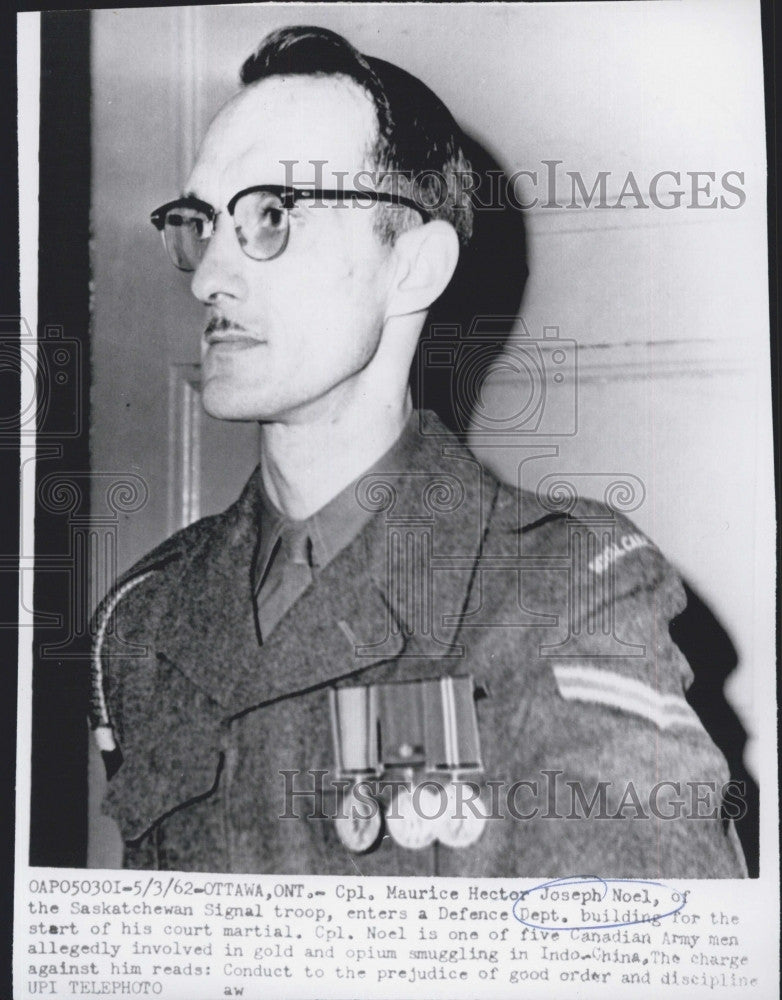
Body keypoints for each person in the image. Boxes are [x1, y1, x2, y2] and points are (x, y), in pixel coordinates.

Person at [89, 25, 747, 876]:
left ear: (414, 267)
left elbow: (656, 949)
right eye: (198, 224)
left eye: (270, 216)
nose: (209, 274)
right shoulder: (140, 620)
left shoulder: (564, 593)